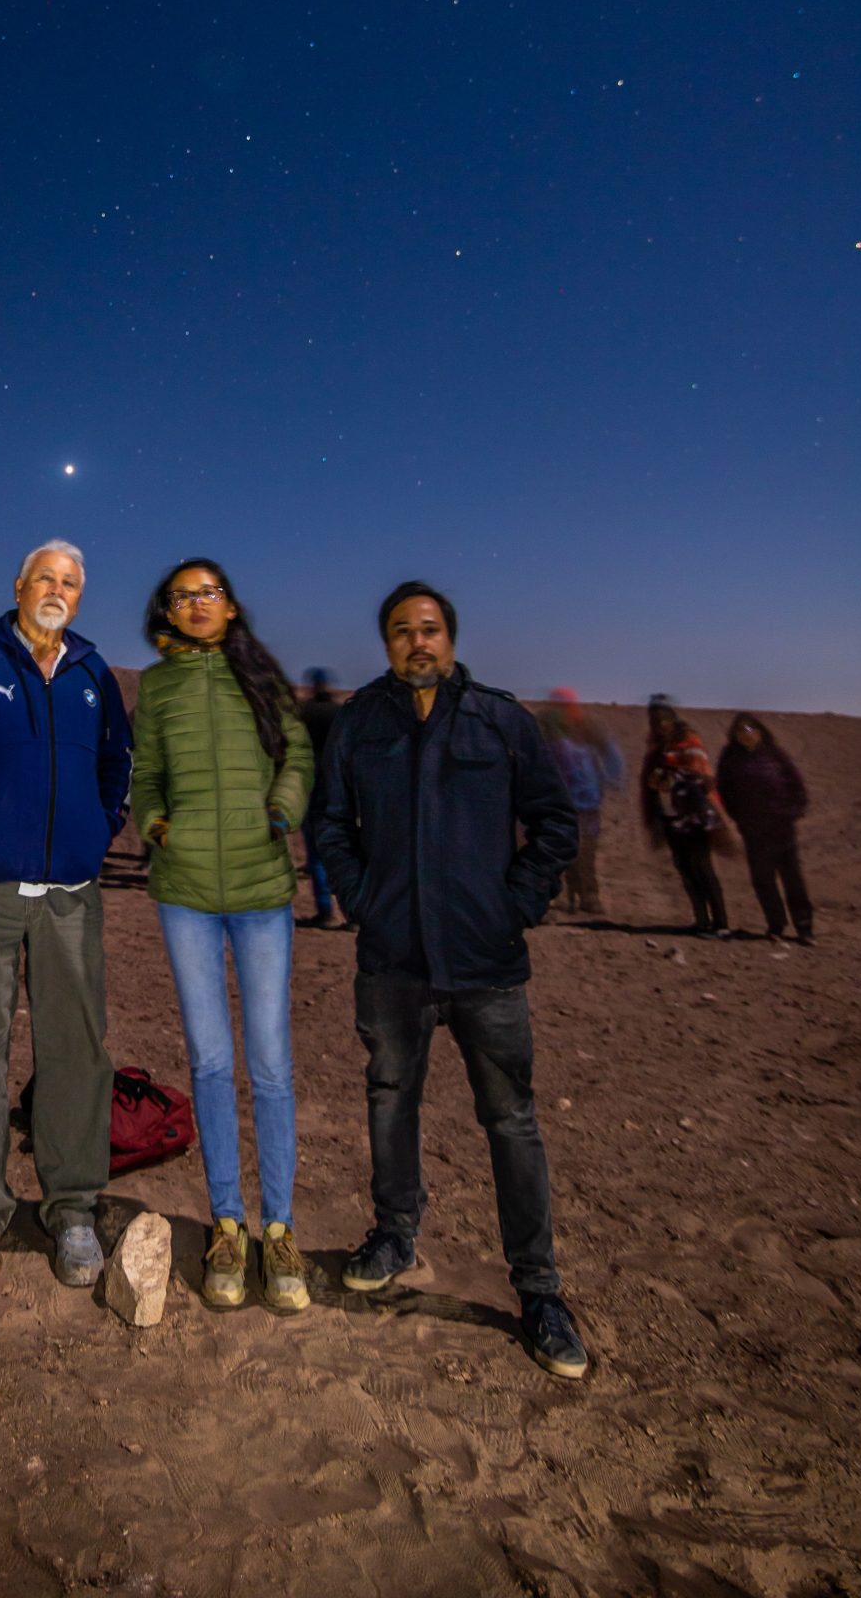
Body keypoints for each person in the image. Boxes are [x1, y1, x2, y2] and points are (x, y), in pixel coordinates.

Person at [312, 581, 588, 1381]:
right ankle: (394, 1234)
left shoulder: (498, 721)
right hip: (392, 962)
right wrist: (362, 898)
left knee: (510, 1122)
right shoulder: (362, 721)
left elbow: (554, 821)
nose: (416, 643)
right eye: (401, 632)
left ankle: (538, 1291)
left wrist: (514, 907)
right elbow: (329, 819)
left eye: (428, 630)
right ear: (387, 644)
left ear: (452, 637)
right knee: (389, 1099)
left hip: (485, 967)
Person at [0, 540, 133, 1290]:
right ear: (17, 585)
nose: (57, 589)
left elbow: (118, 761)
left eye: (70, 581)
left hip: (71, 894)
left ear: (79, 595)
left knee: (76, 1051)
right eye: (46, 577)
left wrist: (102, 827)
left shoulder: (93, 673)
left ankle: (71, 1208)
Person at [131, 562, 314, 1314]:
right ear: (167, 612)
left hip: (261, 890)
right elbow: (144, 777)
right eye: (183, 596)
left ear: (230, 607)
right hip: (184, 898)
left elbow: (297, 756)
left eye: (208, 594)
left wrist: (280, 811)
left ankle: (280, 1228)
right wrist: (155, 826)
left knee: (269, 1064)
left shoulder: (262, 681)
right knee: (210, 1061)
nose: (196, 605)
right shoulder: (157, 687)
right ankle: (226, 1224)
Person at [640, 696, 733, 937]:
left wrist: (667, 777)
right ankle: (701, 920)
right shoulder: (660, 745)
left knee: (702, 867)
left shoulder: (688, 740)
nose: (660, 724)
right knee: (685, 868)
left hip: (696, 815)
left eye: (664, 719)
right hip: (672, 815)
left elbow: (700, 777)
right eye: (655, 720)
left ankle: (721, 924)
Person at [717, 714, 814, 943]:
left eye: (749, 729)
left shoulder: (775, 754)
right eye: (740, 730)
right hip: (753, 829)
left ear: (759, 732)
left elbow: (795, 783)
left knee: (793, 878)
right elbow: (725, 790)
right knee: (763, 879)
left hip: (782, 827)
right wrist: (739, 816)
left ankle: (804, 927)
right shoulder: (730, 758)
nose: (745, 734)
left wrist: (793, 811)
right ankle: (776, 924)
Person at [536, 688, 625, 918]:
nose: (561, 711)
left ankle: (587, 896)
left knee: (584, 851)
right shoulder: (541, 729)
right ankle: (552, 899)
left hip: (586, 800)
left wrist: (611, 779)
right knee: (551, 850)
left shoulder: (588, 728)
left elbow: (611, 754)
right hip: (552, 800)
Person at [296, 669, 350, 929]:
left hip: (313, 787)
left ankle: (327, 912)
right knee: (349, 853)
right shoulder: (342, 714)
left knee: (317, 855)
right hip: (342, 789)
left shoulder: (303, 714)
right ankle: (354, 917)